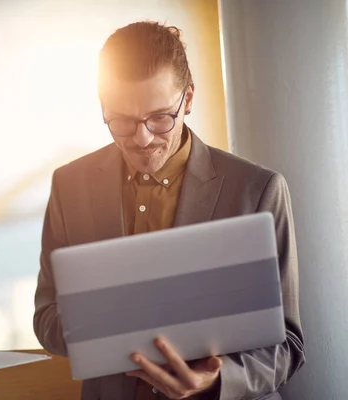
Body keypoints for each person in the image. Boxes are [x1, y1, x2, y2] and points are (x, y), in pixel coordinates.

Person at [33, 21, 305, 400]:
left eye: (160, 117)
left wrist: (216, 380)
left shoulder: (258, 191)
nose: (142, 138)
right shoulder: (70, 185)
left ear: (188, 98)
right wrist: (102, 328)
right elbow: (46, 318)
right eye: (122, 121)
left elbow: (287, 345)